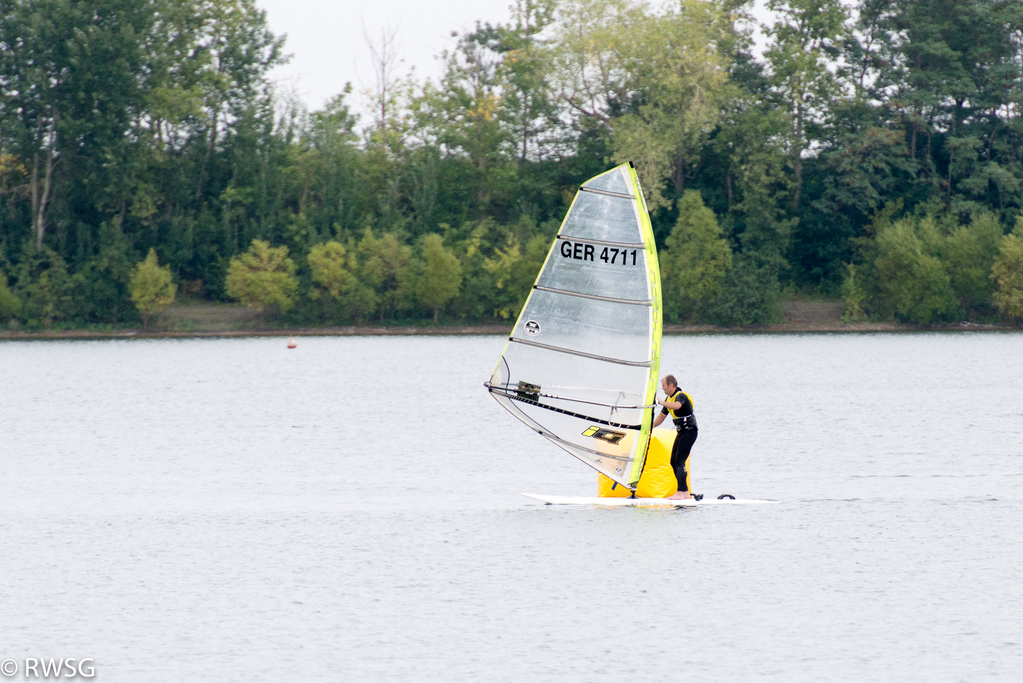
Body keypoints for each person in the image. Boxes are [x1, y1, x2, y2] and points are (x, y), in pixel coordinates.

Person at [652, 374, 698, 500]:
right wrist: (651, 427)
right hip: (682, 432)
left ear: (671, 385)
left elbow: (678, 406)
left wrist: (661, 402)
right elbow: (661, 417)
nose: (662, 388)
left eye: (663, 386)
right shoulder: (669, 398)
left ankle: (682, 492)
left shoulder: (680, 396)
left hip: (690, 431)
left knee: (679, 461)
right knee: (673, 461)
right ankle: (684, 492)